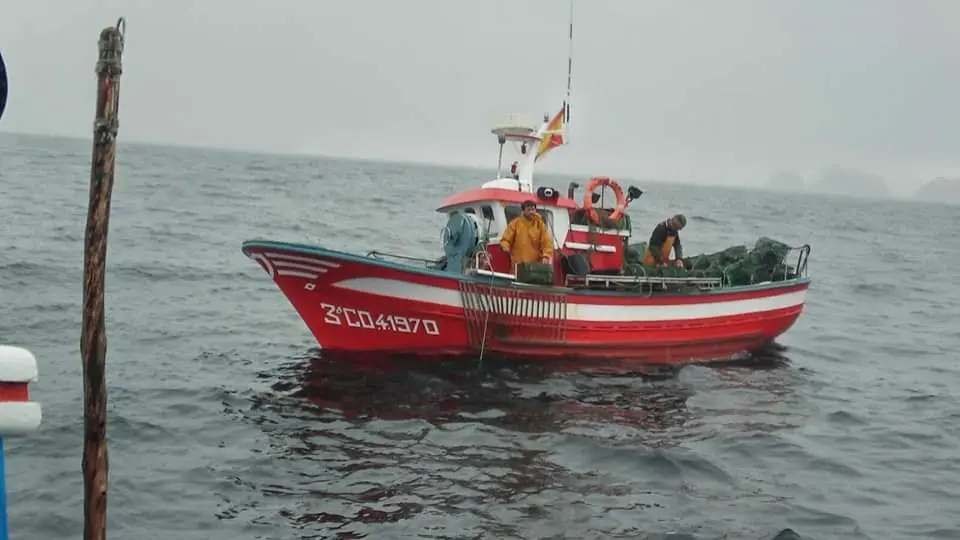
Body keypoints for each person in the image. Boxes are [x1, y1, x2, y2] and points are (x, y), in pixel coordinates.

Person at [499, 200, 554, 268]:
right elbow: (506, 239)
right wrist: (505, 246)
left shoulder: (540, 225)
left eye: (533, 209)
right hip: (519, 264)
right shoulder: (515, 223)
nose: (531, 212)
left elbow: (547, 242)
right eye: (529, 210)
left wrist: (546, 256)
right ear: (523, 211)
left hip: (536, 265)